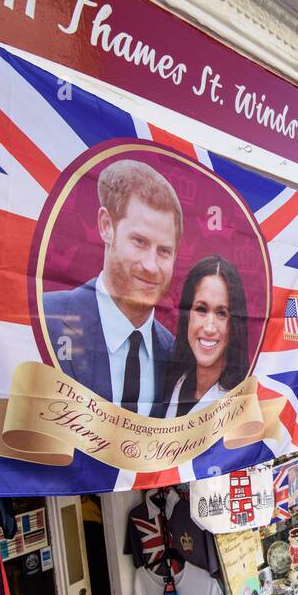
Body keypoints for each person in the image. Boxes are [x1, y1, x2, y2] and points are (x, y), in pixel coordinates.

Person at [44, 160, 181, 416]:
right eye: (139, 242)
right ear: (107, 226)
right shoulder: (44, 319)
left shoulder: (174, 353)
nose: (151, 266)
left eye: (164, 251)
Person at [164, 255, 249, 417]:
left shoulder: (244, 402)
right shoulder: (172, 382)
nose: (209, 328)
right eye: (201, 309)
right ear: (187, 315)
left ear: (234, 324)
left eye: (221, 313)